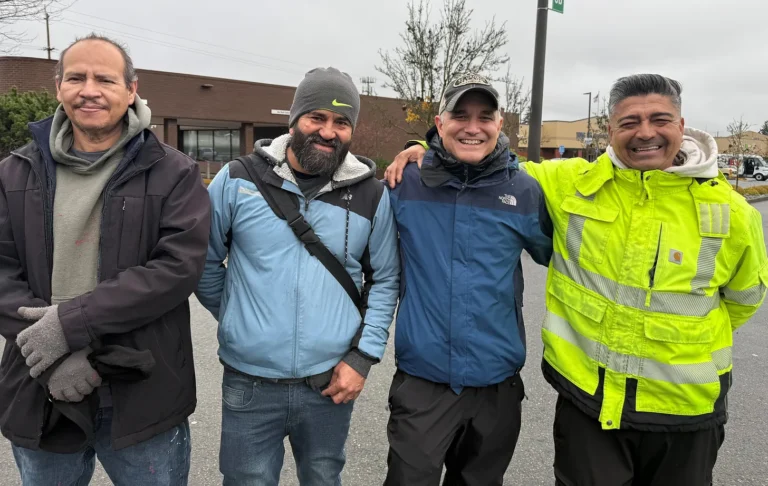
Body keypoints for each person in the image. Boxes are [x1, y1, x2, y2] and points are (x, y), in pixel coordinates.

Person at [385, 73, 768, 485]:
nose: (645, 133)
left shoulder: (733, 213)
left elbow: (744, 301)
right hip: (590, 406)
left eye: (659, 119)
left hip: (685, 413)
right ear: (610, 130)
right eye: (629, 122)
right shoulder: (572, 184)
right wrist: (423, 148)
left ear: (681, 124)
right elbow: (479, 164)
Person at [0, 34, 210, 485]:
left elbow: (176, 269)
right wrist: (51, 356)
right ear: (59, 87)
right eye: (76, 78)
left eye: (105, 79)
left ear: (131, 90)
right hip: (41, 385)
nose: (89, 90)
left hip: (141, 390)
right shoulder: (14, 171)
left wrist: (69, 325)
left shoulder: (174, 172)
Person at [196, 67, 400, 486]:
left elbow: (385, 281)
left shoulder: (371, 194)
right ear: (294, 120)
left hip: (331, 381)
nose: (328, 132)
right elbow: (203, 262)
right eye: (316, 117)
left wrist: (362, 358)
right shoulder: (236, 180)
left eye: (341, 122)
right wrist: (240, 316)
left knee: (323, 478)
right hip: (249, 381)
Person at [383, 73, 553, 485]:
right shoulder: (405, 183)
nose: (472, 127)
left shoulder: (524, 191)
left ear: (500, 125)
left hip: (496, 386)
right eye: (460, 115)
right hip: (423, 382)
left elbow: (556, 256)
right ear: (439, 124)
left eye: (485, 117)